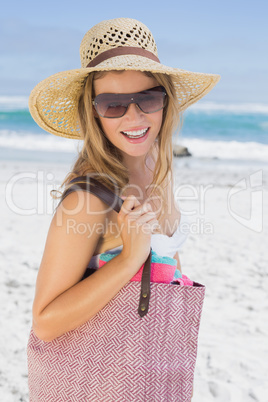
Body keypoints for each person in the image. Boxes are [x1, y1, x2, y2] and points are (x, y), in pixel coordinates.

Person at [28, 17, 220, 399]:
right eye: (113, 104)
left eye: (146, 99)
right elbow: (45, 323)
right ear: (93, 113)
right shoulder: (88, 200)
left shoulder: (157, 175)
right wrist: (130, 258)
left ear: (165, 100)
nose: (134, 117)